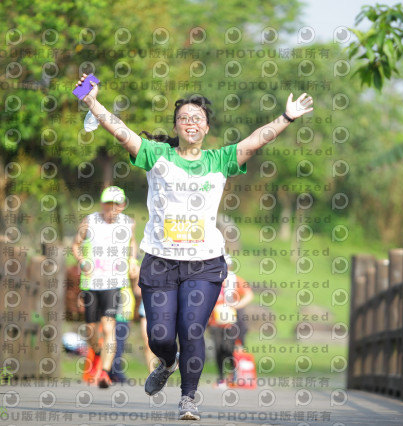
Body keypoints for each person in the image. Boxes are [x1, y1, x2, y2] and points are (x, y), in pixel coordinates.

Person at [75, 73, 313, 420]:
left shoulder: (220, 160)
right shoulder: (156, 154)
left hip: (204, 263)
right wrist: (93, 103)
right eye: (184, 117)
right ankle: (166, 362)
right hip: (160, 261)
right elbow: (121, 131)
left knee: (191, 329)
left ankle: (188, 398)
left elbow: (255, 141)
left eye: (197, 118)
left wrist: (286, 117)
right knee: (159, 336)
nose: (191, 122)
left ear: (206, 128)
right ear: (176, 125)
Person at [71, 186, 137, 389]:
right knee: (91, 330)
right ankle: (99, 353)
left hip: (114, 282)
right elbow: (76, 245)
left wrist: (133, 261)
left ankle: (105, 373)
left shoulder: (128, 223)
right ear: (102, 204)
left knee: (109, 327)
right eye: (108, 205)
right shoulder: (89, 221)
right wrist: (82, 261)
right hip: (91, 282)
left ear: (122, 205)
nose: (111, 209)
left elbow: (132, 243)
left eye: (116, 205)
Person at [208, 254, 253, 388]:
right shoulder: (211, 281)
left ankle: (233, 376)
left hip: (231, 323)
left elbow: (249, 295)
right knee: (218, 350)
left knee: (230, 349)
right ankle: (221, 378)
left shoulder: (236, 280)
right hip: (215, 322)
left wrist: (237, 305)